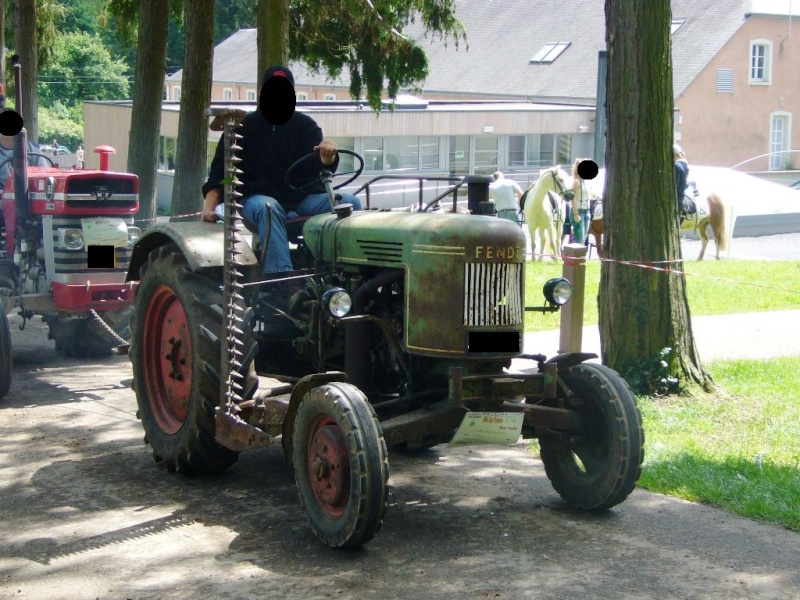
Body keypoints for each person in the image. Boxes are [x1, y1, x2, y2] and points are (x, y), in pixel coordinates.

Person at [202, 65, 361, 275]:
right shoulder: (242, 128)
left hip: (300, 198)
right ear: (261, 94)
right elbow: (220, 175)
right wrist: (209, 207)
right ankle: (282, 280)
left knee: (351, 203)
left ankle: (345, 271)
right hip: (256, 199)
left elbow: (319, 166)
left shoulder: (306, 127)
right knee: (269, 207)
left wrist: (327, 157)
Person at [569, 158, 592, 244]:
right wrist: (576, 214)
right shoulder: (576, 181)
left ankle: (578, 256)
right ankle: (575, 256)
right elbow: (572, 198)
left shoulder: (586, 182)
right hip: (578, 211)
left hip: (586, 211)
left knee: (583, 239)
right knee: (579, 240)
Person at [674, 143, 689, 218]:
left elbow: (674, 185)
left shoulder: (676, 166)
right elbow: (686, 184)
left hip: (675, 201)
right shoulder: (685, 165)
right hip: (682, 199)